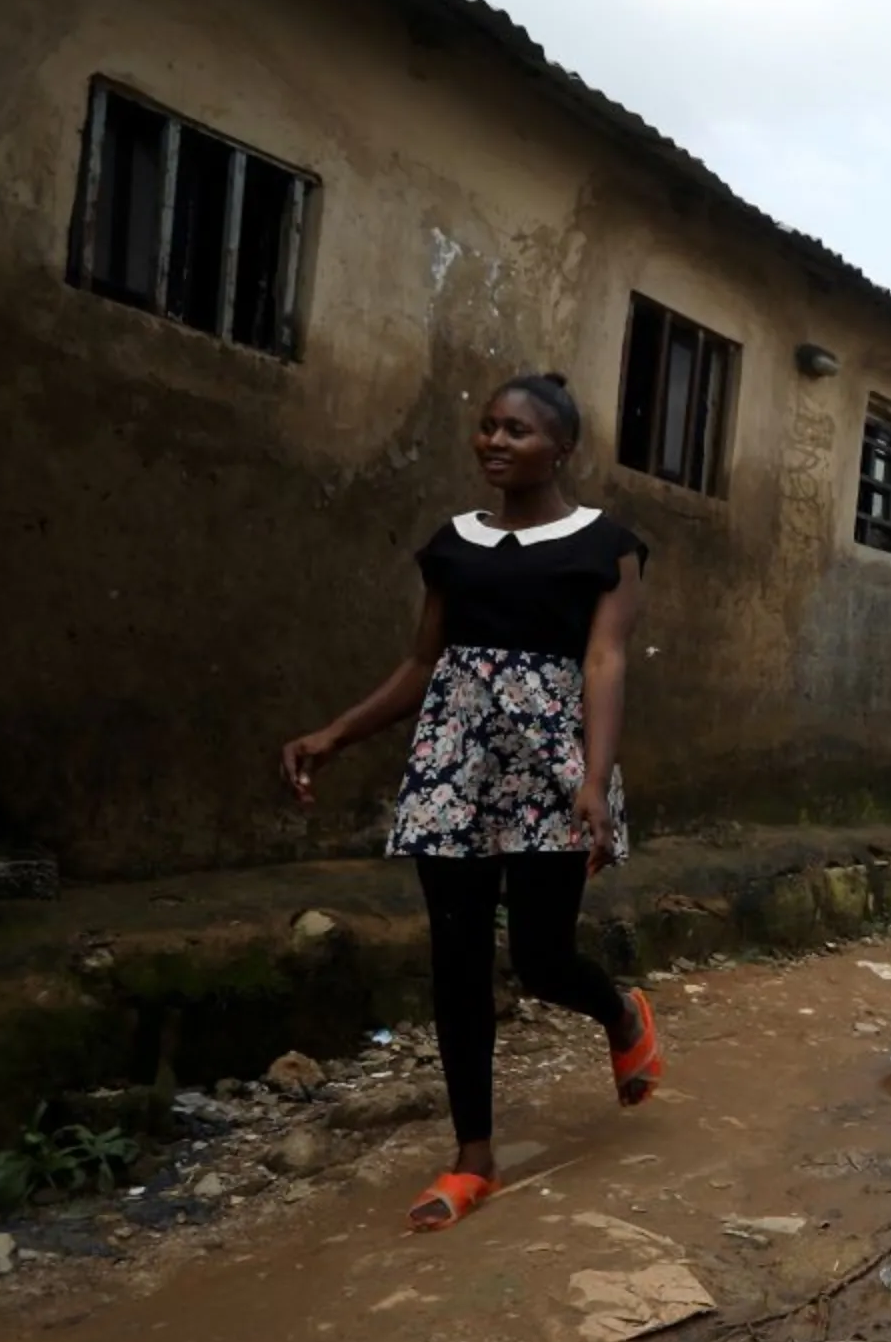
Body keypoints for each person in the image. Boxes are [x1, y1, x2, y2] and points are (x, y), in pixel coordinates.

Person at [280, 371, 663, 1231]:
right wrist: (336, 734)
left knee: (539, 956)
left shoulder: (609, 545)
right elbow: (424, 663)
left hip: (550, 769)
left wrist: (594, 780)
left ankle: (618, 1010)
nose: (494, 441)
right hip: (455, 762)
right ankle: (473, 1159)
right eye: (487, 426)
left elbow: (605, 662)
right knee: (455, 958)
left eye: (517, 431)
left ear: (561, 447)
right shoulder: (451, 544)